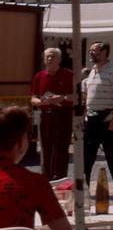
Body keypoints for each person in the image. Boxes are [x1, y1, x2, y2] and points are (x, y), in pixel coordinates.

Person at [82, 41, 113, 198]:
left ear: (104, 52)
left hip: (109, 118)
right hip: (92, 118)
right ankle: (83, 188)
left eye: (95, 51)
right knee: (86, 154)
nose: (92, 53)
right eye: (90, 51)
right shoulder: (92, 72)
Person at [31, 46, 74, 181]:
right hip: (45, 115)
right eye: (47, 56)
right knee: (46, 147)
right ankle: (46, 177)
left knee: (61, 147)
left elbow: (78, 96)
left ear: (59, 59)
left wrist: (63, 98)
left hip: (63, 114)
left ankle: (60, 176)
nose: (49, 59)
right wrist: (40, 102)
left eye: (53, 56)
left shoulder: (68, 75)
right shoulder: (39, 76)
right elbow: (33, 98)